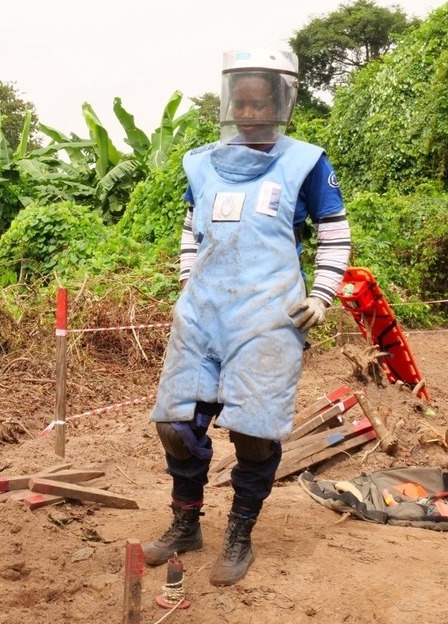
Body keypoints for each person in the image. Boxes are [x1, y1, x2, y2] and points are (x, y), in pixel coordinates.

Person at [143, 49, 352, 587]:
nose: (250, 112)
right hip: (203, 314)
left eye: (261, 102)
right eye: (242, 101)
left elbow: (334, 232)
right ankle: (185, 523)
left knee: (255, 433)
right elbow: (191, 230)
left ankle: (240, 532)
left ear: (282, 100)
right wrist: (189, 282)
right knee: (175, 424)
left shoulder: (306, 161)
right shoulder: (200, 162)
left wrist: (323, 294)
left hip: (268, 315)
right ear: (228, 101)